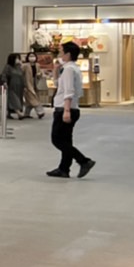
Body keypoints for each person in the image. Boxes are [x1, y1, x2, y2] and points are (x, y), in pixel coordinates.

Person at [46, 40, 95, 179]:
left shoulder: (68, 69)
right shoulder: (72, 68)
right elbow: (59, 85)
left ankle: (83, 161)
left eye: (61, 52)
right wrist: (56, 70)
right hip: (70, 107)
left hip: (64, 108)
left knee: (57, 139)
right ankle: (64, 168)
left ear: (68, 54)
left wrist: (66, 110)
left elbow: (68, 91)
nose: (60, 54)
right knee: (66, 140)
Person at [0, 53, 27, 119]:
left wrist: (25, 86)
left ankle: (9, 113)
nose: (18, 60)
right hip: (11, 86)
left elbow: (22, 77)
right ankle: (19, 113)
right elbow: (4, 75)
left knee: (18, 99)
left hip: (20, 87)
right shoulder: (8, 67)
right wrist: (5, 82)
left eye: (18, 58)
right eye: (16, 58)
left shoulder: (19, 67)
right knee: (14, 99)